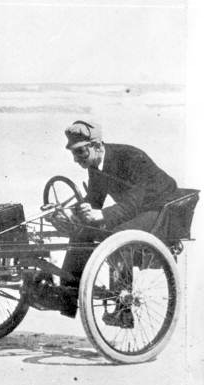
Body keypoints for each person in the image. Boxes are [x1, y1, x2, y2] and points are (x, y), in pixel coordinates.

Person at [52, 120, 179, 323]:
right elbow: (94, 200)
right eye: (73, 153)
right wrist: (73, 214)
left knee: (118, 236)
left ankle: (124, 310)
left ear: (97, 146)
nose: (76, 159)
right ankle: (66, 299)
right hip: (136, 209)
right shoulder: (94, 166)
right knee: (82, 232)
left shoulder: (131, 157)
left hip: (161, 208)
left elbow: (134, 202)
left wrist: (101, 215)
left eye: (80, 153)